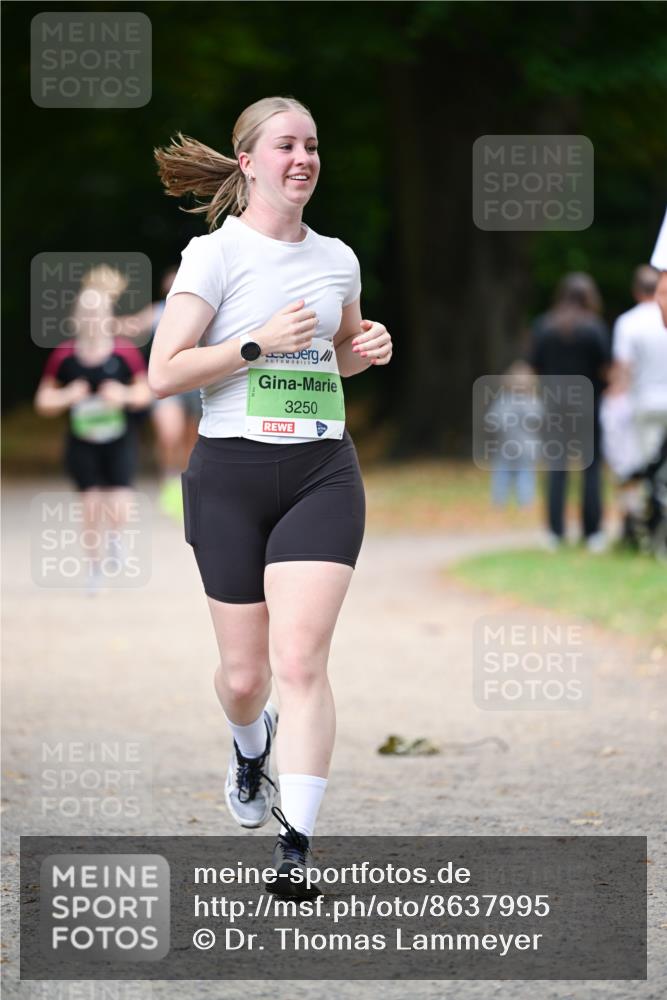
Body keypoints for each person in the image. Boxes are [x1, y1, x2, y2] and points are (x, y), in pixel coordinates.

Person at [149, 97, 392, 893]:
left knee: (300, 661)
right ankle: (249, 748)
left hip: (321, 471)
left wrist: (367, 348)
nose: (303, 159)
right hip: (230, 475)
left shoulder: (338, 258)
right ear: (248, 161)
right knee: (247, 678)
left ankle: (297, 849)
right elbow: (163, 372)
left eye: (312, 146)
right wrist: (255, 344)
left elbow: (340, 355)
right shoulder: (212, 256)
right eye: (286, 146)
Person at [34, 265, 152, 591]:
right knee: (89, 507)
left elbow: (146, 393)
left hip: (119, 439)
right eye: (85, 311)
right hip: (82, 440)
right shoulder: (64, 356)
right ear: (75, 317)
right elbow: (43, 401)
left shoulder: (125, 352)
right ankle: (94, 569)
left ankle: (115, 538)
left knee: (119, 506)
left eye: (97, 311)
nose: (91, 317)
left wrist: (124, 395)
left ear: (108, 315)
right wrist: (67, 395)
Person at [529, 272, 611, 552]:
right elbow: (605, 368)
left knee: (556, 469)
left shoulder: (544, 326)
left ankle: (555, 532)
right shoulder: (594, 328)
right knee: (590, 469)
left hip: (553, 406)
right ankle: (593, 533)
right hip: (587, 406)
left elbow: (535, 367)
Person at [117, 266, 203, 519]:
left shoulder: (205, 310)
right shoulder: (157, 312)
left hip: (198, 384)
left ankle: (185, 487)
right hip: (170, 385)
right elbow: (130, 327)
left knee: (191, 440)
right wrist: (97, 321)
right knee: (169, 433)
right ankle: (169, 479)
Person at [612, 264, 667, 469]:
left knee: (649, 463)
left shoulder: (628, 322)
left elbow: (623, 367)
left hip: (645, 401)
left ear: (635, 291)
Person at [486, 361, 542, 508]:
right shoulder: (503, 400)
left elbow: (537, 419)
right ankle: (498, 503)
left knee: (525, 476)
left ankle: (525, 503)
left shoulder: (533, 401)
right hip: (505, 448)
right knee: (501, 475)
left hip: (526, 449)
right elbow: (494, 419)